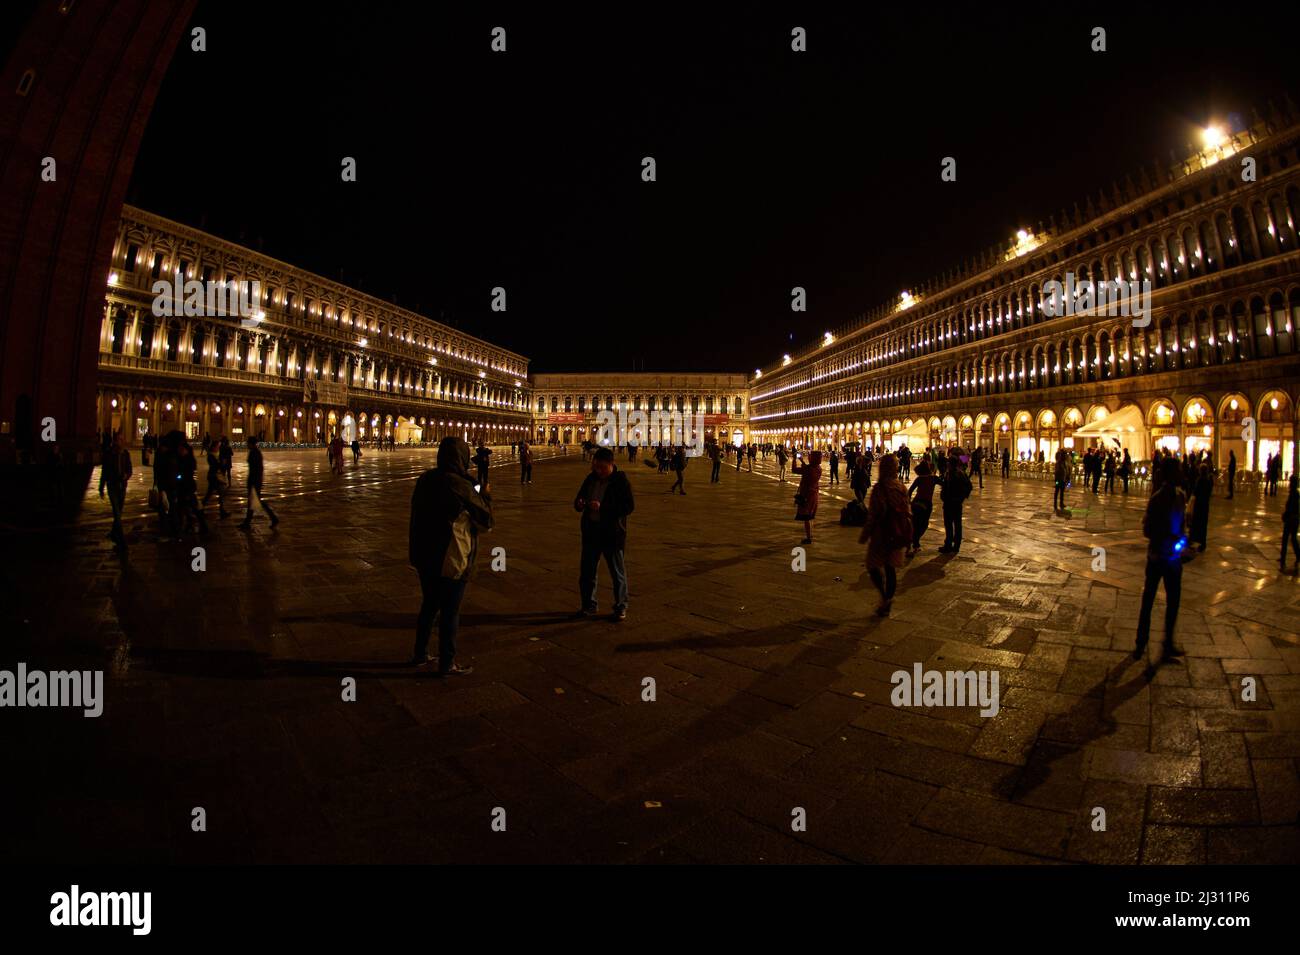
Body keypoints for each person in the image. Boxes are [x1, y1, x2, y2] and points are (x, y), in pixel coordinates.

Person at [408, 437, 493, 675]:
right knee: (449, 612)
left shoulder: (425, 480)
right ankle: (447, 662)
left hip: (424, 556)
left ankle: (420, 654)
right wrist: (485, 496)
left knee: (428, 606)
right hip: (451, 557)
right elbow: (486, 522)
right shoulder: (461, 485)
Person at [1135, 456, 1188, 662]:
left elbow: (1183, 524)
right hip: (1158, 557)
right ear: (1171, 474)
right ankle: (1141, 640)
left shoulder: (1181, 497)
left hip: (1172, 558)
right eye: (1178, 470)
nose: (1181, 473)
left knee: (1173, 601)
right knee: (1148, 598)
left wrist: (1183, 540)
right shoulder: (1156, 498)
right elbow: (1147, 529)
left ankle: (1167, 643)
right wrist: (1165, 538)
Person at [574, 446, 634, 621]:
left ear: (611, 464)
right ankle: (588, 605)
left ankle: (621, 605)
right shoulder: (590, 479)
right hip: (591, 532)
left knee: (617, 573)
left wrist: (603, 508)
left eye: (602, 467)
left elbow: (628, 507)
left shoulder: (620, 481)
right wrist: (579, 503)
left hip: (612, 534)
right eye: (596, 467)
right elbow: (578, 499)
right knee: (587, 572)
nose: (598, 470)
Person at [860, 454, 910, 617]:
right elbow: (908, 512)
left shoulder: (880, 488)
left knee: (872, 565)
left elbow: (874, 514)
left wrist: (866, 533)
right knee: (890, 569)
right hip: (898, 534)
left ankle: (884, 597)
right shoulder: (902, 487)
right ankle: (888, 599)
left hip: (881, 534)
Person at [238, 436, 279, 530]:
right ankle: (247, 522)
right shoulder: (255, 452)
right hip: (255, 480)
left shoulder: (255, 453)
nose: (246, 444)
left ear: (251, 443)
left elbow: (256, 469)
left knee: (257, 501)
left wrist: (253, 482)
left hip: (254, 481)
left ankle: (273, 518)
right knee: (252, 502)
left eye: (248, 443)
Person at [103, 431, 132, 553]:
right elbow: (105, 470)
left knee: (119, 511)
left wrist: (127, 475)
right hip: (112, 486)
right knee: (117, 512)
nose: (120, 442)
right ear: (114, 441)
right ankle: (122, 541)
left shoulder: (125, 454)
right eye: (118, 439)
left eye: (122, 439)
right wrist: (101, 486)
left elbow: (129, 469)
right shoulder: (109, 453)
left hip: (122, 486)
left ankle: (114, 533)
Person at [939, 450, 971, 554]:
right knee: (955, 524)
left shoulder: (955, 474)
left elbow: (968, 487)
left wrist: (960, 497)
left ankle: (951, 545)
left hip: (951, 503)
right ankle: (953, 545)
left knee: (951, 525)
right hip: (953, 503)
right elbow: (969, 486)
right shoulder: (957, 473)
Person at [907, 458, 939, 557]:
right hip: (926, 504)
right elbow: (945, 483)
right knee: (923, 524)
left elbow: (910, 491)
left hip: (916, 503)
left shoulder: (919, 479)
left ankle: (911, 543)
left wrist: (909, 501)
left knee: (914, 523)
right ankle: (915, 541)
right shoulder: (933, 478)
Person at [792, 449, 822, 545]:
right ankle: (810, 534)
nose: (809, 457)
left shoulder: (809, 469)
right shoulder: (818, 468)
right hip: (814, 495)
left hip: (806, 495)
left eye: (810, 456)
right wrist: (802, 461)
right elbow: (808, 469)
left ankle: (808, 537)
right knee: (811, 516)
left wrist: (794, 460)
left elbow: (794, 470)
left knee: (806, 517)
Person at [201, 442, 231, 519]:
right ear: (213, 447)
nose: (218, 448)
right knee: (218, 494)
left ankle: (201, 508)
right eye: (217, 446)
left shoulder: (216, 455)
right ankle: (221, 511)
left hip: (215, 476)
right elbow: (215, 466)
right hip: (214, 477)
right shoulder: (211, 456)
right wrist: (222, 463)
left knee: (211, 494)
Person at [1189, 463, 1213, 552]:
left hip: (1199, 504)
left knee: (1196, 522)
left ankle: (1193, 540)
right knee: (1203, 524)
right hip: (1205, 505)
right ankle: (1203, 543)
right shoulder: (1208, 480)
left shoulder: (1200, 480)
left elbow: (1195, 492)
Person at [1282, 475, 1299, 572]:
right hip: (1294, 519)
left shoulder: (1294, 494)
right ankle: (1298, 555)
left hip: (1291, 520)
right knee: (1293, 539)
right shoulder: (1294, 493)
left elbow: (1291, 507)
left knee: (1286, 539)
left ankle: (1283, 558)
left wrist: (1286, 515)